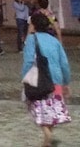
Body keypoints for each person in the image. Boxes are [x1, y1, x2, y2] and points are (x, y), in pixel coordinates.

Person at [23, 11, 71, 147]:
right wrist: (66, 82)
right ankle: (47, 142)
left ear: (34, 25)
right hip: (56, 80)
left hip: (39, 80)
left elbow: (27, 62)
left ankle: (47, 136)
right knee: (52, 110)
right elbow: (65, 63)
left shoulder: (32, 40)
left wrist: (25, 78)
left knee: (37, 110)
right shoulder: (54, 41)